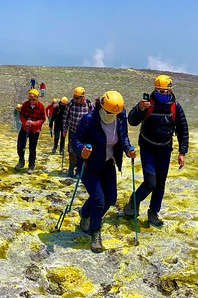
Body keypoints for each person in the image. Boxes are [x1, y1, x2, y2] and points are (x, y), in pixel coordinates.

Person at [72, 91, 135, 253]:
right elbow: (75, 141)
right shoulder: (89, 119)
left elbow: (124, 137)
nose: (111, 116)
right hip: (89, 165)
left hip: (107, 163)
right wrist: (81, 151)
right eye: (109, 113)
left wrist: (128, 150)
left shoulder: (120, 117)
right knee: (99, 200)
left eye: (115, 113)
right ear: (101, 106)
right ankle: (95, 233)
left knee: (111, 198)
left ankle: (85, 213)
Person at [124, 75, 189, 227]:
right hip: (148, 148)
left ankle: (153, 212)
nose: (161, 93)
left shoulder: (175, 107)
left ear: (170, 91)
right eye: (158, 90)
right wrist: (139, 109)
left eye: (164, 91)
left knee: (160, 183)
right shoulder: (147, 104)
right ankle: (133, 202)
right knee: (150, 183)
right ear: (154, 89)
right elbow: (132, 121)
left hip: (165, 150)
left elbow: (182, 129)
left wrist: (182, 152)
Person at [62, 86, 94, 177]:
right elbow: (65, 117)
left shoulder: (89, 105)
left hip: (84, 133)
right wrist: (64, 129)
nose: (75, 99)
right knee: (71, 150)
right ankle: (71, 168)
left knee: (82, 151)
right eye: (74, 97)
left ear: (82, 97)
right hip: (72, 131)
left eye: (77, 97)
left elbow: (94, 118)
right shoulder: (71, 104)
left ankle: (79, 170)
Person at [14, 89, 45, 174]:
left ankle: (31, 166)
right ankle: (21, 161)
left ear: (37, 98)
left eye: (34, 100)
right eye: (30, 99)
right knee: (20, 146)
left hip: (35, 131)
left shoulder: (41, 107)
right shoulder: (25, 104)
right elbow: (21, 115)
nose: (31, 101)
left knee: (32, 148)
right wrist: (25, 122)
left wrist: (33, 123)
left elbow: (43, 119)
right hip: (24, 128)